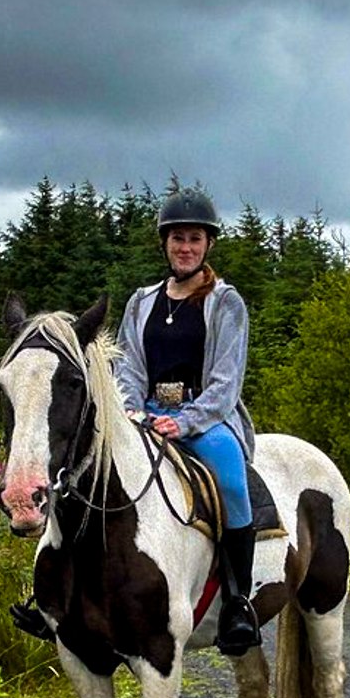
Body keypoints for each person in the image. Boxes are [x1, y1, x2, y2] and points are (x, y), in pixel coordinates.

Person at [115, 187, 261, 656]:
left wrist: (187, 421)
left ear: (208, 245)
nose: (185, 247)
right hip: (145, 414)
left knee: (233, 482)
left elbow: (226, 381)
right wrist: (133, 410)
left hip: (204, 417)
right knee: (91, 467)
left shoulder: (226, 303)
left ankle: (238, 601)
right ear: (165, 244)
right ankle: (62, 593)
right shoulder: (141, 302)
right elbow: (128, 366)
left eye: (194, 239)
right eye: (177, 238)